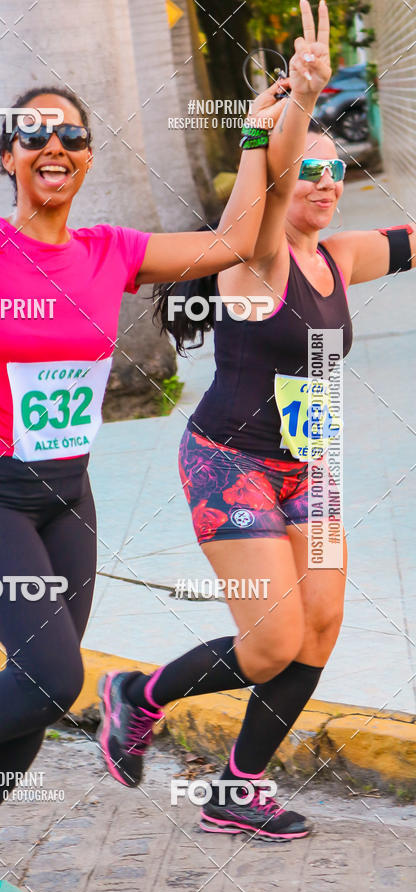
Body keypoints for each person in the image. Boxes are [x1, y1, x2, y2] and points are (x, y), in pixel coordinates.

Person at [0, 76, 282, 892]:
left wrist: (255, 133)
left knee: (39, 688)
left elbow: (238, 239)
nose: (52, 147)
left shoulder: (114, 252)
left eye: (68, 135)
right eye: (32, 135)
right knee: (53, 675)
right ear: (7, 158)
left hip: (67, 495)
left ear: (88, 157)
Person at [98, 0, 415, 842]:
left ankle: (239, 788)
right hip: (227, 464)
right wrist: (301, 104)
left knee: (320, 627)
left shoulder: (338, 256)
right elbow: (266, 190)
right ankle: (140, 695)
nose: (322, 183)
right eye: (308, 171)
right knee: (271, 640)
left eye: (335, 173)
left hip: (306, 466)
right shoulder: (262, 252)